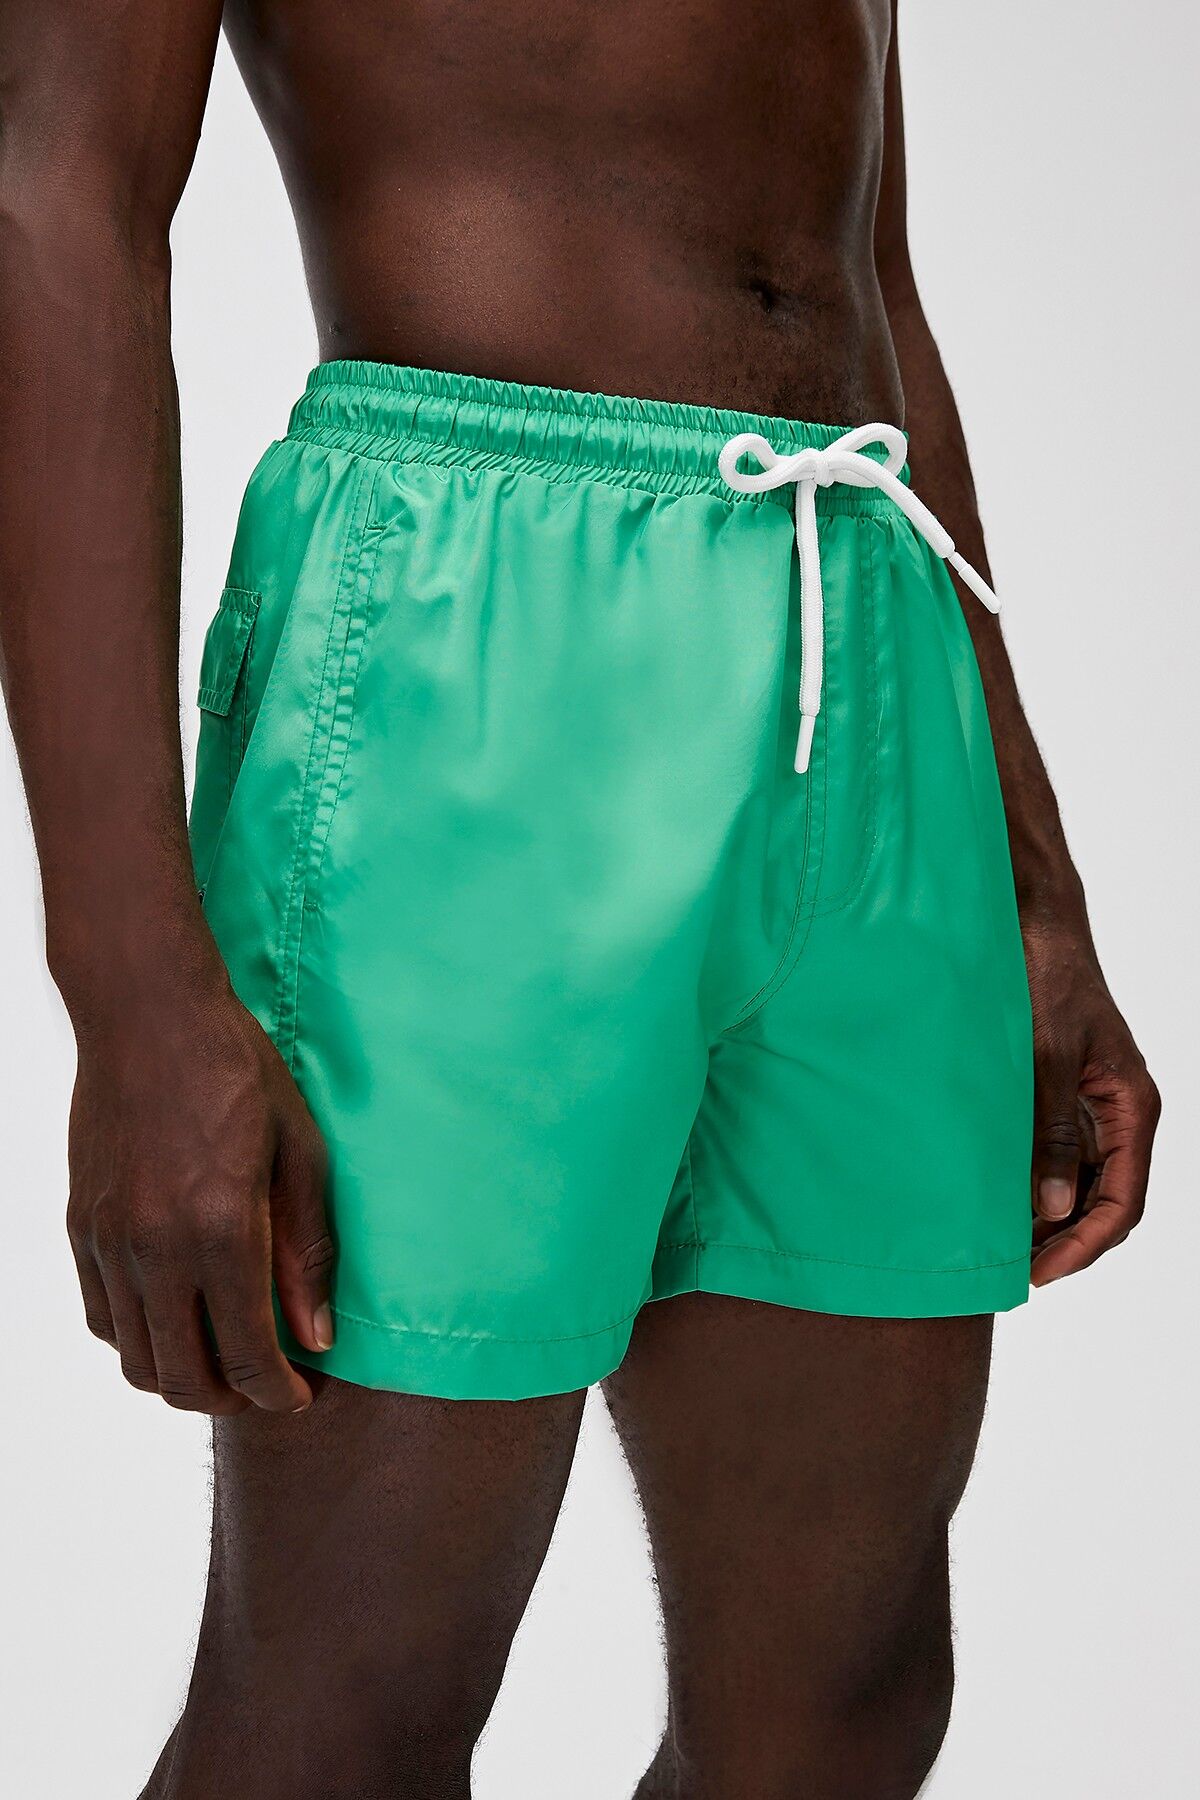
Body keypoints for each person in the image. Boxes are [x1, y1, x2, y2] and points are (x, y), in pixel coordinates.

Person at [0, 4, 1160, 1797]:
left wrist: (1033, 874)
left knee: (840, 1709)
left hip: (860, 610)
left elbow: (864, 268)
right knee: (348, 1709)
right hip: (474, 630)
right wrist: (133, 994)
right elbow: (54, 196)